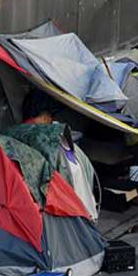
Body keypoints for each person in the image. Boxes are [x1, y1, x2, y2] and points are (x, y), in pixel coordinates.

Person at [16, 89, 98, 221]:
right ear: (45, 116)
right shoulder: (48, 137)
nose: (51, 120)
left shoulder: (17, 133)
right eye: (49, 116)